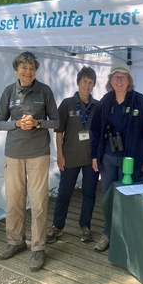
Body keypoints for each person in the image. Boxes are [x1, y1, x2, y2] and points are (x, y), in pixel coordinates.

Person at [0, 52, 59, 272]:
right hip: (13, 154)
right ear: (16, 70)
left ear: (36, 71)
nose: (28, 72)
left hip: (39, 153)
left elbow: (57, 121)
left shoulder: (45, 91)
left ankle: (39, 247)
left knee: (39, 201)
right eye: (24, 68)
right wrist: (16, 124)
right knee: (14, 200)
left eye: (32, 68)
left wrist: (38, 123)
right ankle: (15, 242)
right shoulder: (8, 92)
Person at [91, 62, 143, 252]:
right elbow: (95, 131)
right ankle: (107, 233)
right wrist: (95, 155)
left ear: (129, 81)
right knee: (109, 197)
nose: (119, 80)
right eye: (116, 77)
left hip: (131, 159)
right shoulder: (105, 101)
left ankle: (126, 236)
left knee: (127, 197)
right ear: (110, 80)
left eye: (123, 77)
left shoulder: (140, 101)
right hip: (108, 158)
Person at [46, 67, 100, 244]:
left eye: (91, 82)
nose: (87, 85)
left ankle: (85, 225)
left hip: (91, 159)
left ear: (93, 85)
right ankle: (57, 226)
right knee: (64, 193)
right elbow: (59, 131)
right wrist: (60, 155)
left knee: (89, 193)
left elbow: (99, 133)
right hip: (69, 158)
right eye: (84, 81)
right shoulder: (67, 104)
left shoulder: (98, 106)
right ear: (78, 83)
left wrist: (97, 156)